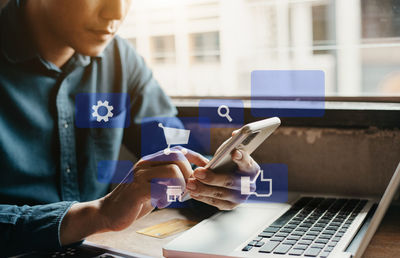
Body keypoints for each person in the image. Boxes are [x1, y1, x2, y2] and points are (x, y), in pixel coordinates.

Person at [0, 0, 260, 256]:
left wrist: (218, 184)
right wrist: (97, 214)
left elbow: (180, 159)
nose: (115, 13)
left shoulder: (121, 59)